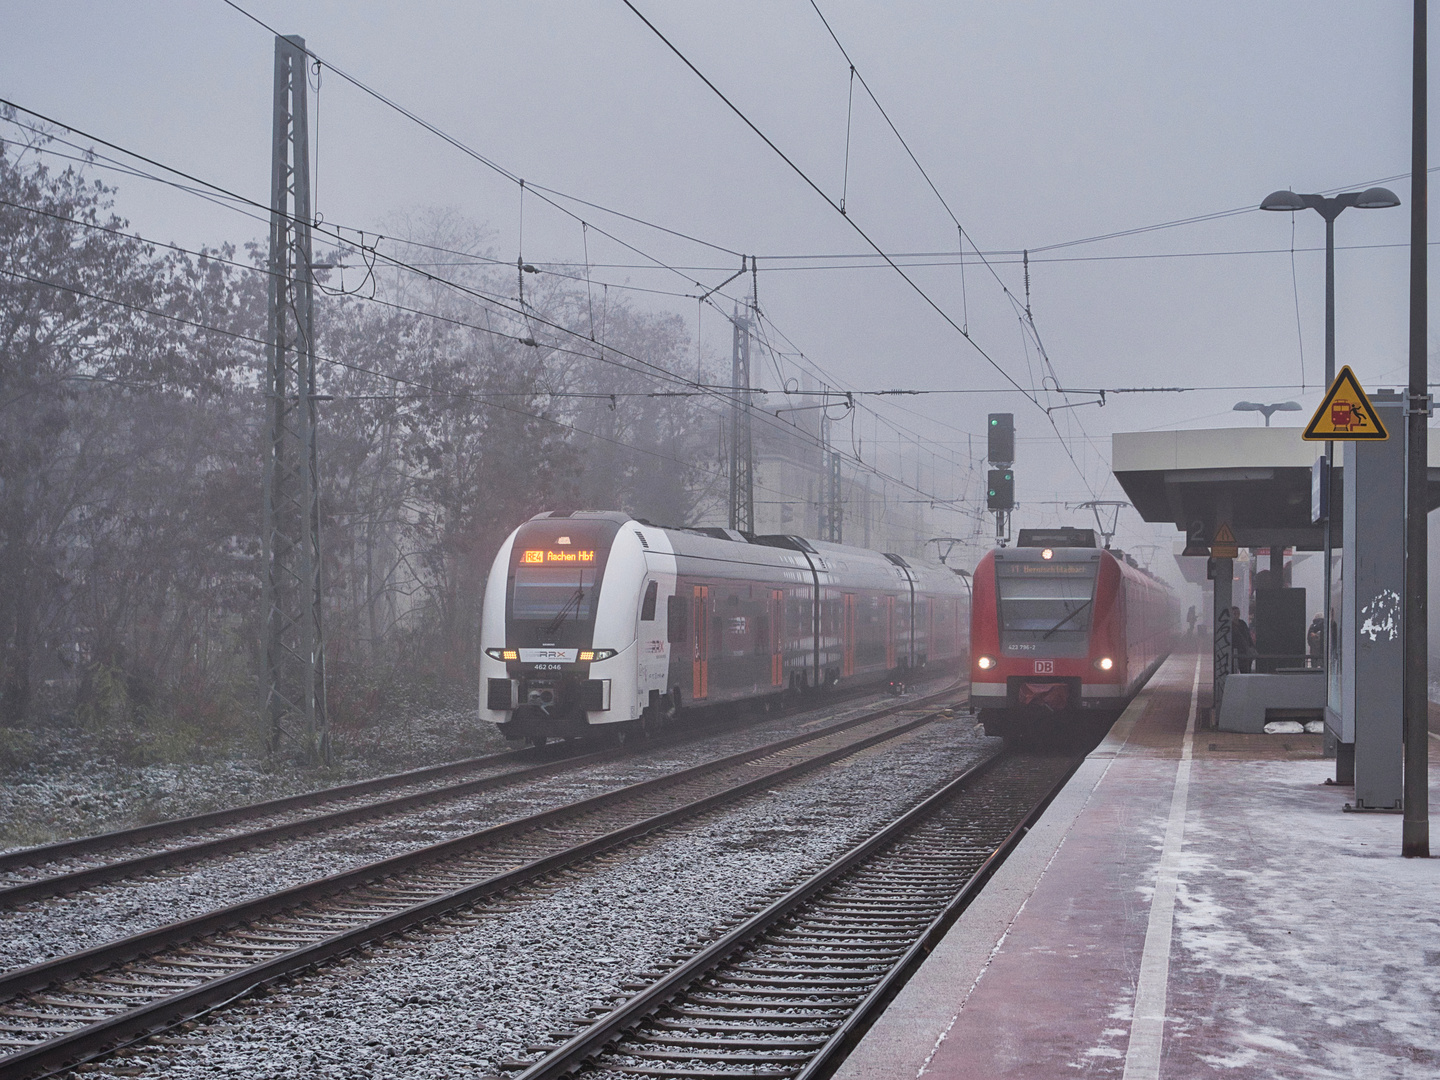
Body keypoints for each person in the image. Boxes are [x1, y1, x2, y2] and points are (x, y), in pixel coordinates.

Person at [1231, 605, 1255, 673]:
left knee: (1245, 672)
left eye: (1238, 613)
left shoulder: (1242, 623)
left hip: (1244, 653)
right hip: (1234, 653)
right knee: (1233, 672)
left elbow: (1248, 636)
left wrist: (1251, 647)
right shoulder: (1229, 625)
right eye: (1234, 613)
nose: (1236, 615)